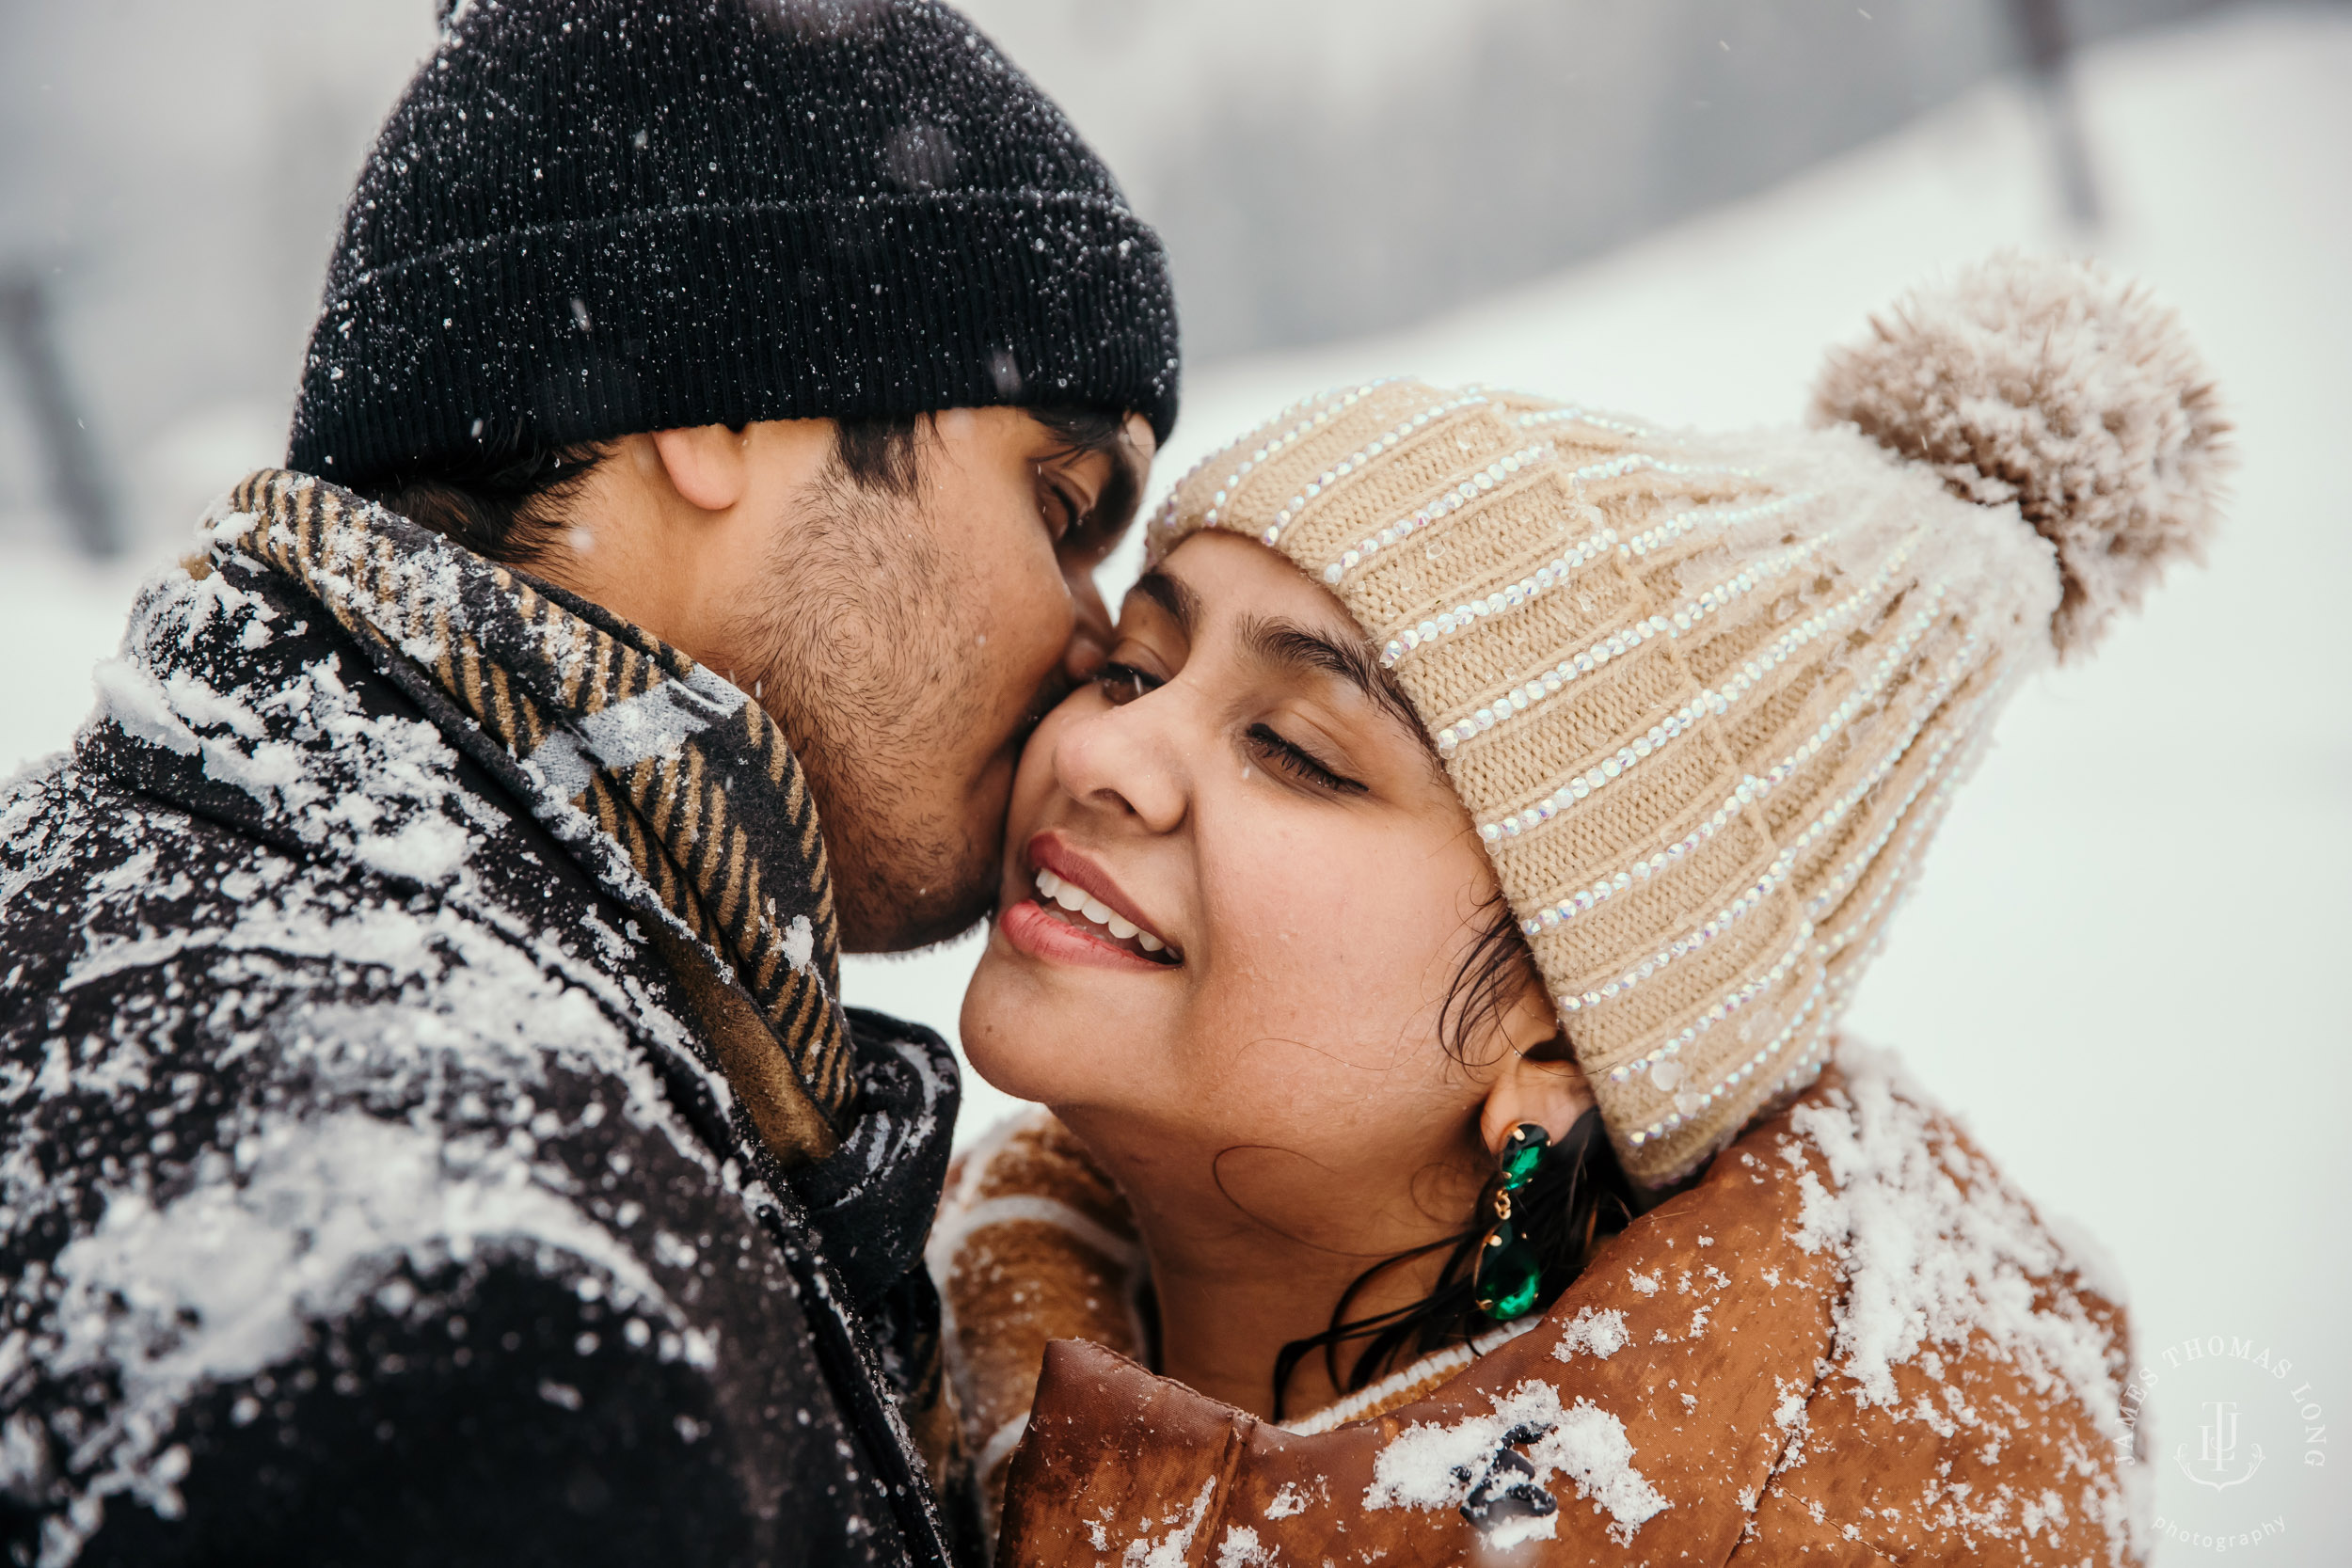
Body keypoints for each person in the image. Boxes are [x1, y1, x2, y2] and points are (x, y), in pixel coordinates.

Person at [0, 2, 1173, 1564]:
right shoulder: (473, 1294)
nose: (1097, 641)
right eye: (1063, 501)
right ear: (723, 408)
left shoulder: (157, 929)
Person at [932, 255, 2226, 1563]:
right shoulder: (889, 1348)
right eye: (1140, 668)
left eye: (1300, 751)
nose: (1102, 756)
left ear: (1556, 1045)